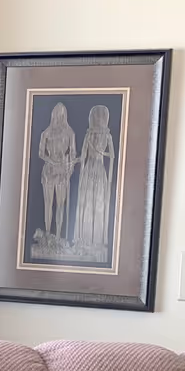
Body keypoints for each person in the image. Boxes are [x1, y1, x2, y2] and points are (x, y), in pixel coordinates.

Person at [71, 104, 116, 260]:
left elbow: (112, 155)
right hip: (89, 169)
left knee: (97, 204)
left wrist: (100, 152)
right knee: (87, 203)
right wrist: (75, 161)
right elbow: (83, 155)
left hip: (98, 168)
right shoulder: (88, 135)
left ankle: (96, 239)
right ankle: (84, 238)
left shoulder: (107, 135)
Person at [36, 103, 77, 245]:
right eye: (57, 114)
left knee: (60, 204)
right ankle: (48, 234)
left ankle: (58, 236)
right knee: (48, 203)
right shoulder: (46, 133)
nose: (59, 117)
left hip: (62, 172)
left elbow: (73, 154)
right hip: (49, 171)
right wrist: (52, 161)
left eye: (62, 114)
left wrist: (69, 169)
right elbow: (40, 153)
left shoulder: (70, 133)